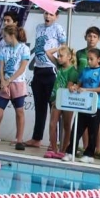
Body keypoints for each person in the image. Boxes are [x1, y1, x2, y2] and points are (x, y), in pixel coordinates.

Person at [27, 10, 67, 148]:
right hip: (38, 69)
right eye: (46, 13)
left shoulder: (58, 28)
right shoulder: (38, 27)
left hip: (51, 69)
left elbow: (64, 46)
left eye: (51, 14)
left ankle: (54, 141)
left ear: (56, 17)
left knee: (53, 108)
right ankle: (36, 138)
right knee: (39, 106)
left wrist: (51, 53)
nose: (47, 16)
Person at [62, 48, 100, 163]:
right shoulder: (85, 71)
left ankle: (89, 154)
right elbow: (79, 85)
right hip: (82, 105)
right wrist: (74, 88)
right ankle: (70, 152)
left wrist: (86, 90)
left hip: (95, 106)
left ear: (99, 59)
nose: (88, 61)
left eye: (91, 59)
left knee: (93, 131)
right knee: (76, 129)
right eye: (88, 59)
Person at [76, 26, 100, 159]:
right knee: (82, 123)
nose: (91, 39)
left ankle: (96, 149)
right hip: (81, 91)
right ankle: (85, 149)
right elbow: (76, 70)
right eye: (89, 36)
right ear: (85, 37)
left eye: (94, 36)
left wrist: (97, 79)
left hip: (94, 93)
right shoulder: (80, 53)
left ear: (99, 39)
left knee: (95, 123)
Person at [44, 45, 78, 159]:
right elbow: (48, 53)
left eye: (61, 56)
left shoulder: (73, 71)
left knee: (67, 125)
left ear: (69, 57)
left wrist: (58, 100)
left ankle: (63, 150)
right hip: (56, 99)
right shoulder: (59, 66)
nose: (58, 58)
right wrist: (60, 47)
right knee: (52, 124)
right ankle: (53, 149)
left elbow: (67, 88)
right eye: (58, 56)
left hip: (66, 101)